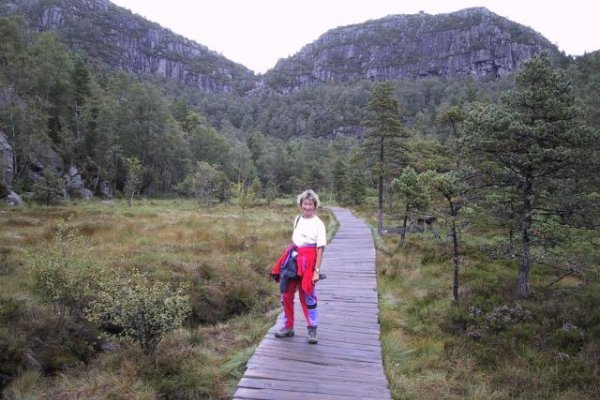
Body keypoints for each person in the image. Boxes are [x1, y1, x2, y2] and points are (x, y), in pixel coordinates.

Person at [271, 189, 326, 344]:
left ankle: (312, 329)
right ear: (301, 205)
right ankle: (288, 327)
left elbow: (320, 249)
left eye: (310, 204)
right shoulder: (297, 219)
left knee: (307, 295)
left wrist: (316, 271)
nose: (307, 207)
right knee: (286, 295)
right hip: (293, 260)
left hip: (308, 263)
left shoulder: (319, 224)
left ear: (315, 205)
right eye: (305, 204)